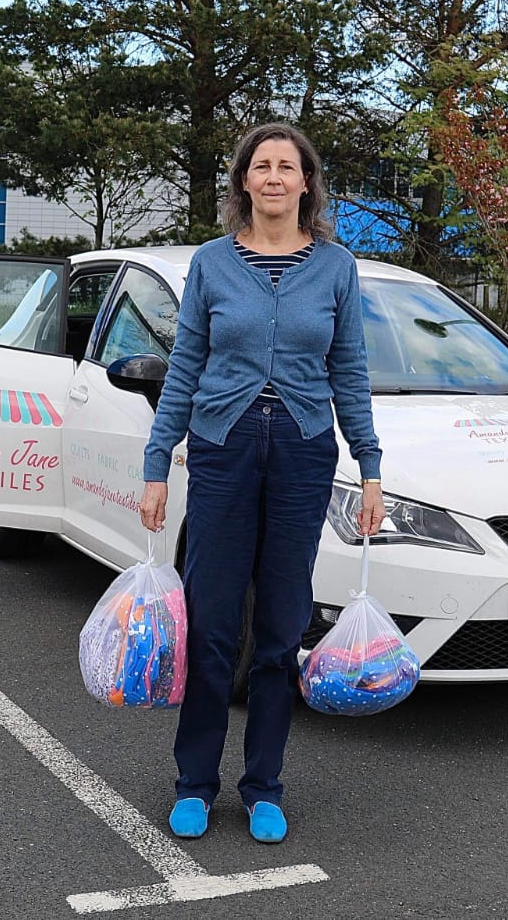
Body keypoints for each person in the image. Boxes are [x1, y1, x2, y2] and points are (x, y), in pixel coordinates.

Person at [139, 122, 384, 844]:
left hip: (304, 451)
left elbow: (350, 372)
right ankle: (194, 782)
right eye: (261, 166)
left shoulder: (336, 268)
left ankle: (264, 785)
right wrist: (158, 462)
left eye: (289, 167)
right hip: (223, 448)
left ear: (307, 184)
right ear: (243, 182)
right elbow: (184, 368)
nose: (275, 177)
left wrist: (370, 467)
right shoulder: (212, 265)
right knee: (213, 625)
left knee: (279, 628)